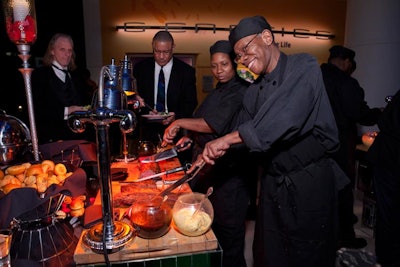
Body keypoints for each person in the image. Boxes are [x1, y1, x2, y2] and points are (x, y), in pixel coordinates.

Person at [189, 15, 349, 267]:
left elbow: (284, 117)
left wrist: (228, 140)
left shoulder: (304, 66)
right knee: (269, 252)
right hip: (274, 183)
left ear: (267, 37)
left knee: (307, 253)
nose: (242, 59)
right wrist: (207, 153)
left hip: (310, 182)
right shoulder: (254, 90)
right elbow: (240, 130)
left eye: (245, 50)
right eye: (238, 56)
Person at [163, 40, 254, 267]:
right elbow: (202, 124)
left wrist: (178, 123)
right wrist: (190, 137)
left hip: (232, 175)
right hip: (211, 172)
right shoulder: (218, 90)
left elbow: (213, 125)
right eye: (214, 66)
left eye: (224, 64)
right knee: (212, 234)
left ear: (234, 63)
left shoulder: (240, 89)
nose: (218, 70)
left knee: (230, 239)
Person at [320, 45, 383, 249]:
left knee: (323, 187)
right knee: (343, 188)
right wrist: (383, 113)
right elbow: (360, 113)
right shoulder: (346, 82)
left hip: (315, 143)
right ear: (347, 62)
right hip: (339, 143)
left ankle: (326, 226)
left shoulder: (315, 76)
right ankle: (345, 236)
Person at [132, 30, 198, 158]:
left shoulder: (186, 72)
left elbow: (191, 102)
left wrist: (176, 116)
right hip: (147, 131)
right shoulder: (141, 68)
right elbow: (135, 98)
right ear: (152, 46)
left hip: (175, 131)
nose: (161, 56)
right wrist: (145, 110)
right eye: (157, 51)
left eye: (166, 52)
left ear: (173, 48)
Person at [31, 33, 94, 144]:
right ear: (52, 51)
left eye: (70, 50)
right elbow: (37, 111)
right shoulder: (40, 76)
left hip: (79, 139)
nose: (67, 54)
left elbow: (85, 103)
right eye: (62, 50)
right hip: (53, 141)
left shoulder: (76, 77)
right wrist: (68, 111)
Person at [366, 89, 400, 267]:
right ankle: (387, 258)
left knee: (388, 213)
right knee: (389, 214)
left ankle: (386, 256)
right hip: (389, 160)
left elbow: (385, 119)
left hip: (387, 159)